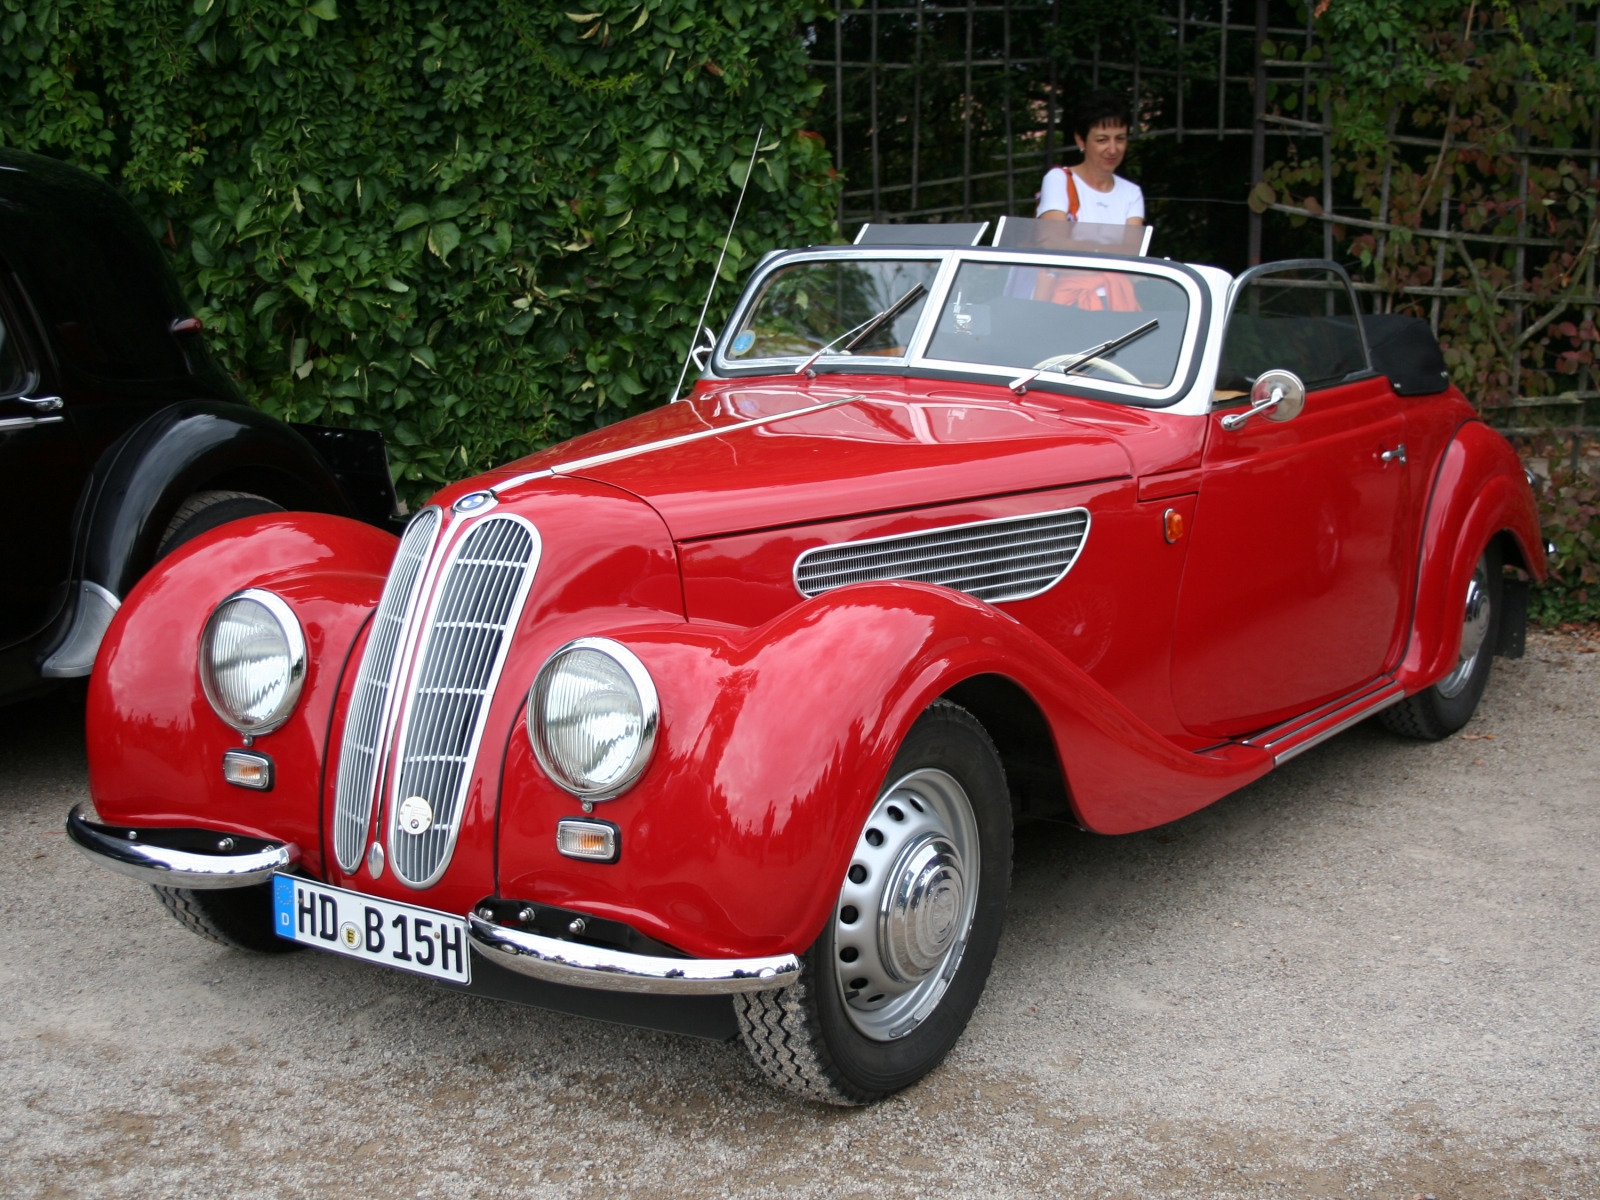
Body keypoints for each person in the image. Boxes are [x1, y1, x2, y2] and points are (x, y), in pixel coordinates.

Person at [1037, 90, 1145, 227]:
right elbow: (1054, 239)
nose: (1112, 150)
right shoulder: (1058, 180)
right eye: (1102, 140)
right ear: (1081, 140)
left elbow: (1132, 246)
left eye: (1120, 139)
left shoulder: (1131, 193)